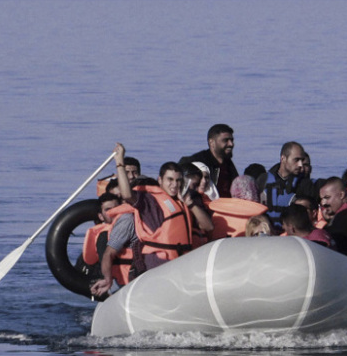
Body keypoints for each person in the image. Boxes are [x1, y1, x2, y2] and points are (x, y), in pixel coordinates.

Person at [90, 143, 214, 296]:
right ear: (160, 180)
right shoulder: (150, 200)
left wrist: (190, 204)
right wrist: (120, 162)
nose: (174, 185)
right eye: (170, 180)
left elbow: (208, 227)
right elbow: (128, 195)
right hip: (156, 274)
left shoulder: (182, 203)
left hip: (180, 272)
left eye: (178, 180)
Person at [257, 141, 321, 220]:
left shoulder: (304, 184)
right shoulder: (263, 179)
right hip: (265, 229)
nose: (300, 165)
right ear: (283, 159)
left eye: (302, 160)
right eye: (296, 160)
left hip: (293, 230)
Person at [187, 123, 238, 198]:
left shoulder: (228, 163)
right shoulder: (196, 161)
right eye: (226, 140)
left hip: (229, 206)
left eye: (231, 140)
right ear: (212, 142)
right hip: (208, 205)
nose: (231, 144)